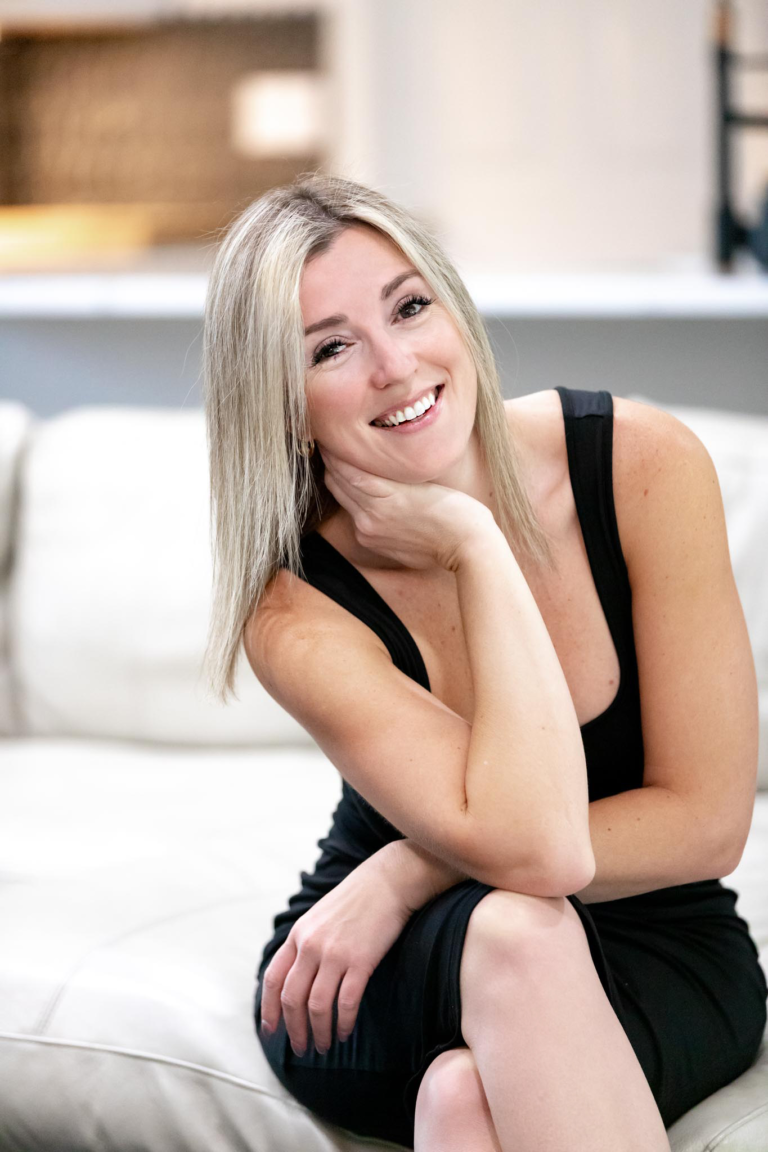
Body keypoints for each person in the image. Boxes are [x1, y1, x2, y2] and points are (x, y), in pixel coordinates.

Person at [201, 172, 767, 1152]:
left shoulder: (642, 466)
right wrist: (475, 544)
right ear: (286, 407)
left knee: (467, 1103)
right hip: (394, 979)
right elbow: (537, 855)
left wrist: (406, 871)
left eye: (410, 307)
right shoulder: (292, 607)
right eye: (332, 348)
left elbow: (709, 823)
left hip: (655, 940)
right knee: (513, 929)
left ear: (454, 309)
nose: (395, 364)